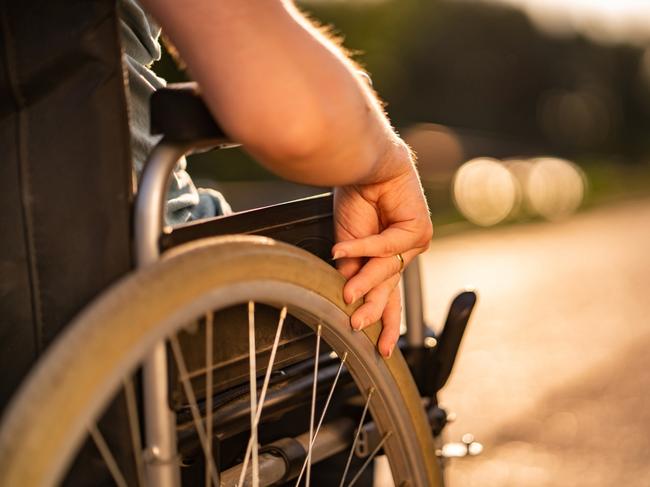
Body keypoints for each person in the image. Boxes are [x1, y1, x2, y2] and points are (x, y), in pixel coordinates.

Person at [128, 0, 434, 358]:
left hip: (64, 289)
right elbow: (297, 123)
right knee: (346, 259)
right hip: (153, 272)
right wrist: (387, 163)